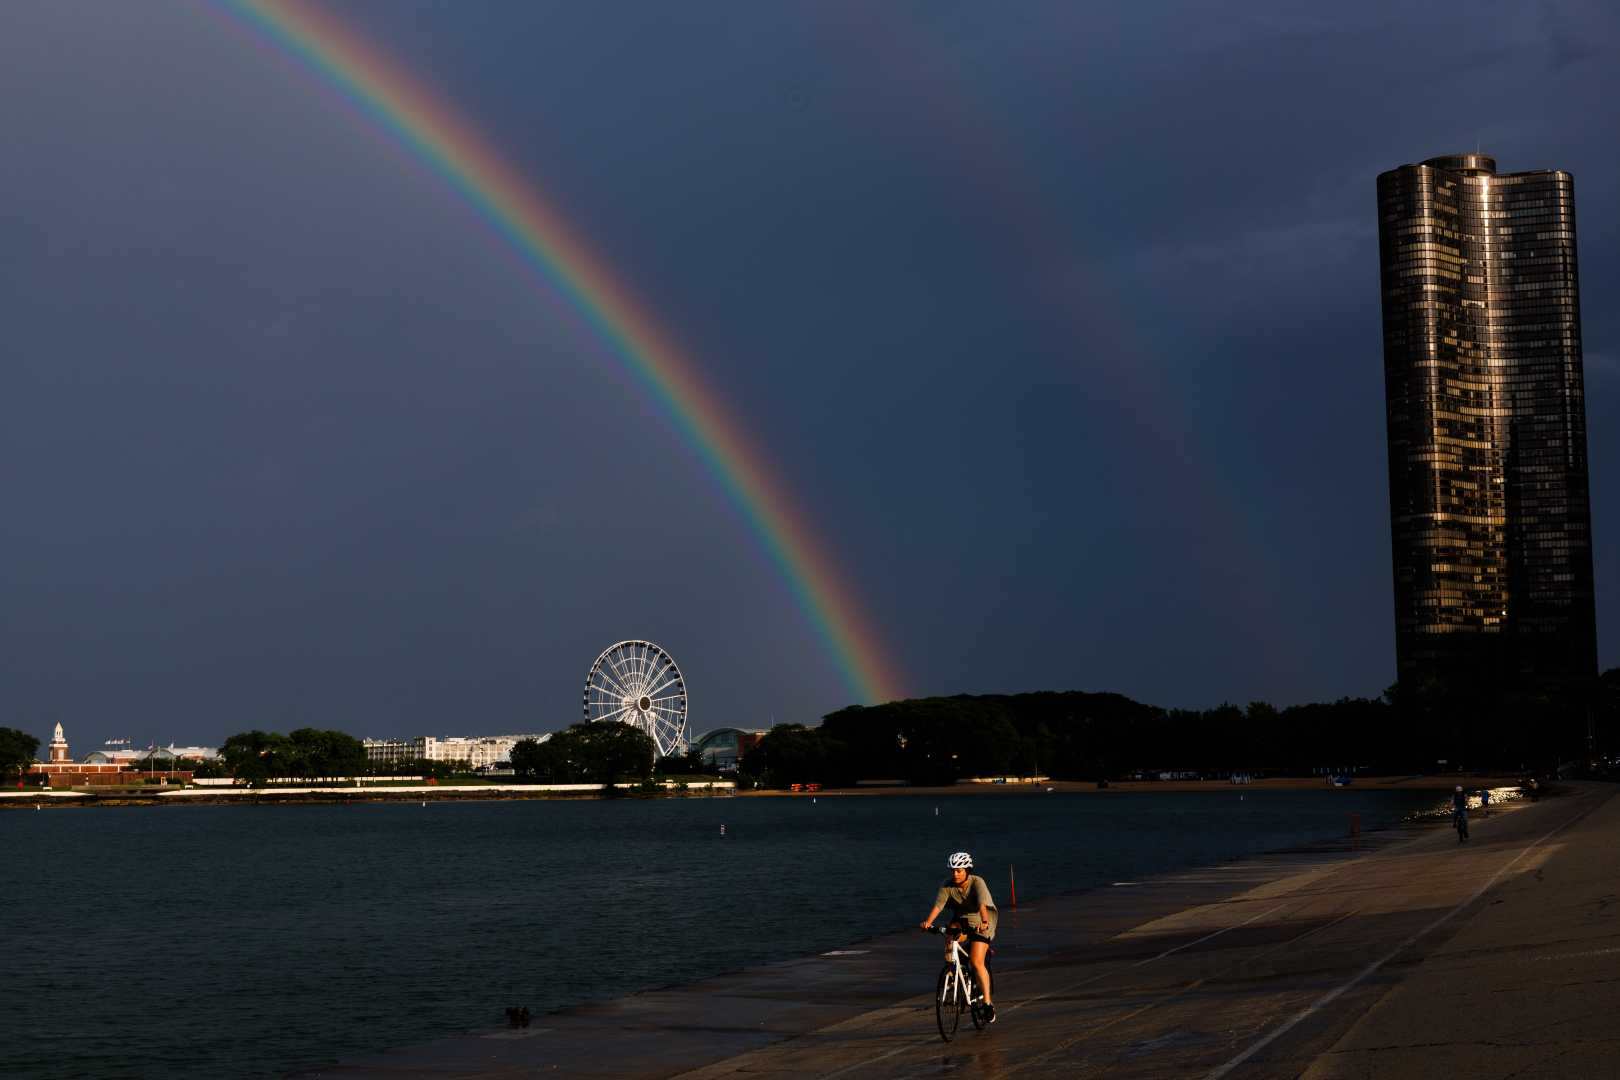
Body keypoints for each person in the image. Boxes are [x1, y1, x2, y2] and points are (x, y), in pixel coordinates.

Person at [921, 852, 997, 1021]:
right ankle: (951, 973)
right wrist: (928, 922)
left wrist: (984, 922)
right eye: (953, 871)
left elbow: (982, 904)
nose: (955, 874)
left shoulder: (977, 882)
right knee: (950, 932)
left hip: (982, 921)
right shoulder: (947, 885)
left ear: (967, 870)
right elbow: (938, 906)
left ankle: (987, 1004)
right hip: (961, 921)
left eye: (959, 871)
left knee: (976, 962)